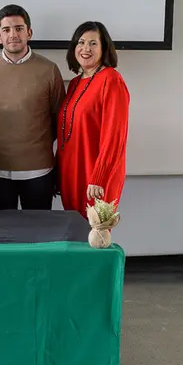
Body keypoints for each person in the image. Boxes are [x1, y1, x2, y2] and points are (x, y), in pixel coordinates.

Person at [0, 4, 64, 211]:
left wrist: (36, 144)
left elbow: (60, 117)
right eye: (6, 30)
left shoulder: (49, 70)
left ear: (29, 32)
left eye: (19, 28)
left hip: (39, 171)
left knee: (38, 235)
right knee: (2, 235)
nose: (13, 34)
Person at [57, 21, 130, 219]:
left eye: (93, 43)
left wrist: (99, 177)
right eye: (80, 42)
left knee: (95, 237)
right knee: (76, 235)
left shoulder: (111, 80)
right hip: (71, 175)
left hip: (95, 177)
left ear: (104, 47)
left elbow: (114, 136)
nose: (85, 48)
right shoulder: (73, 84)